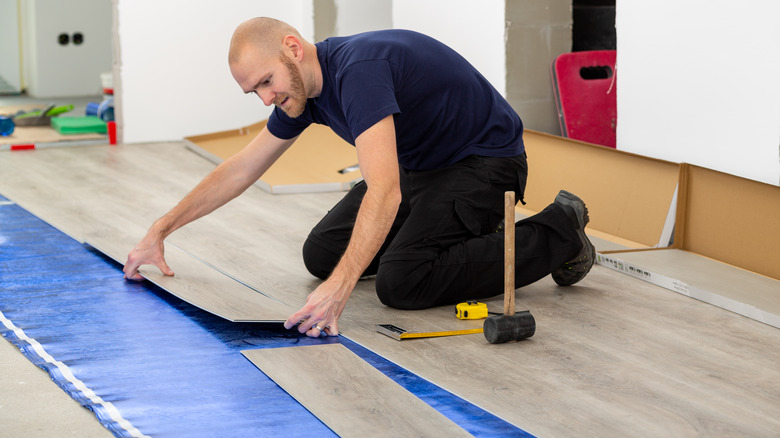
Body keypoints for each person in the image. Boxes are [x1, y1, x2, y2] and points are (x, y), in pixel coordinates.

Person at [123, 17, 595, 338]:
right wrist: (160, 230)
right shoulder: (302, 93)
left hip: (486, 163)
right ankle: (459, 236)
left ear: (293, 48)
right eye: (254, 91)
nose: (265, 98)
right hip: (424, 167)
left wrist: (341, 288)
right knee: (322, 254)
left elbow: (385, 190)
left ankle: (561, 231)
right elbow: (242, 167)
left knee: (401, 283)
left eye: (267, 82)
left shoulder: (359, 72)